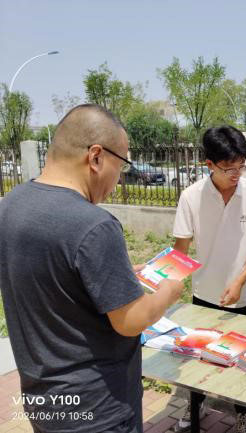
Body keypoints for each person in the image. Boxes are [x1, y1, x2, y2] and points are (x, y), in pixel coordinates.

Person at [0, 104, 184, 433]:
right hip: (97, 407)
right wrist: (170, 291)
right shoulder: (95, 225)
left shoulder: (11, 205)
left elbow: (51, 276)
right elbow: (131, 321)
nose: (119, 178)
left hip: (44, 399)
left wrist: (115, 276)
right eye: (121, 164)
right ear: (96, 157)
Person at [171, 126, 246, 433]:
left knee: (242, 358)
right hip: (204, 294)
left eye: (242, 165)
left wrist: (240, 281)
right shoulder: (191, 197)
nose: (237, 174)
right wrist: (166, 284)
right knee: (199, 357)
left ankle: (243, 413)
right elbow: (180, 250)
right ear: (210, 165)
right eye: (229, 168)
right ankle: (196, 404)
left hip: (241, 295)